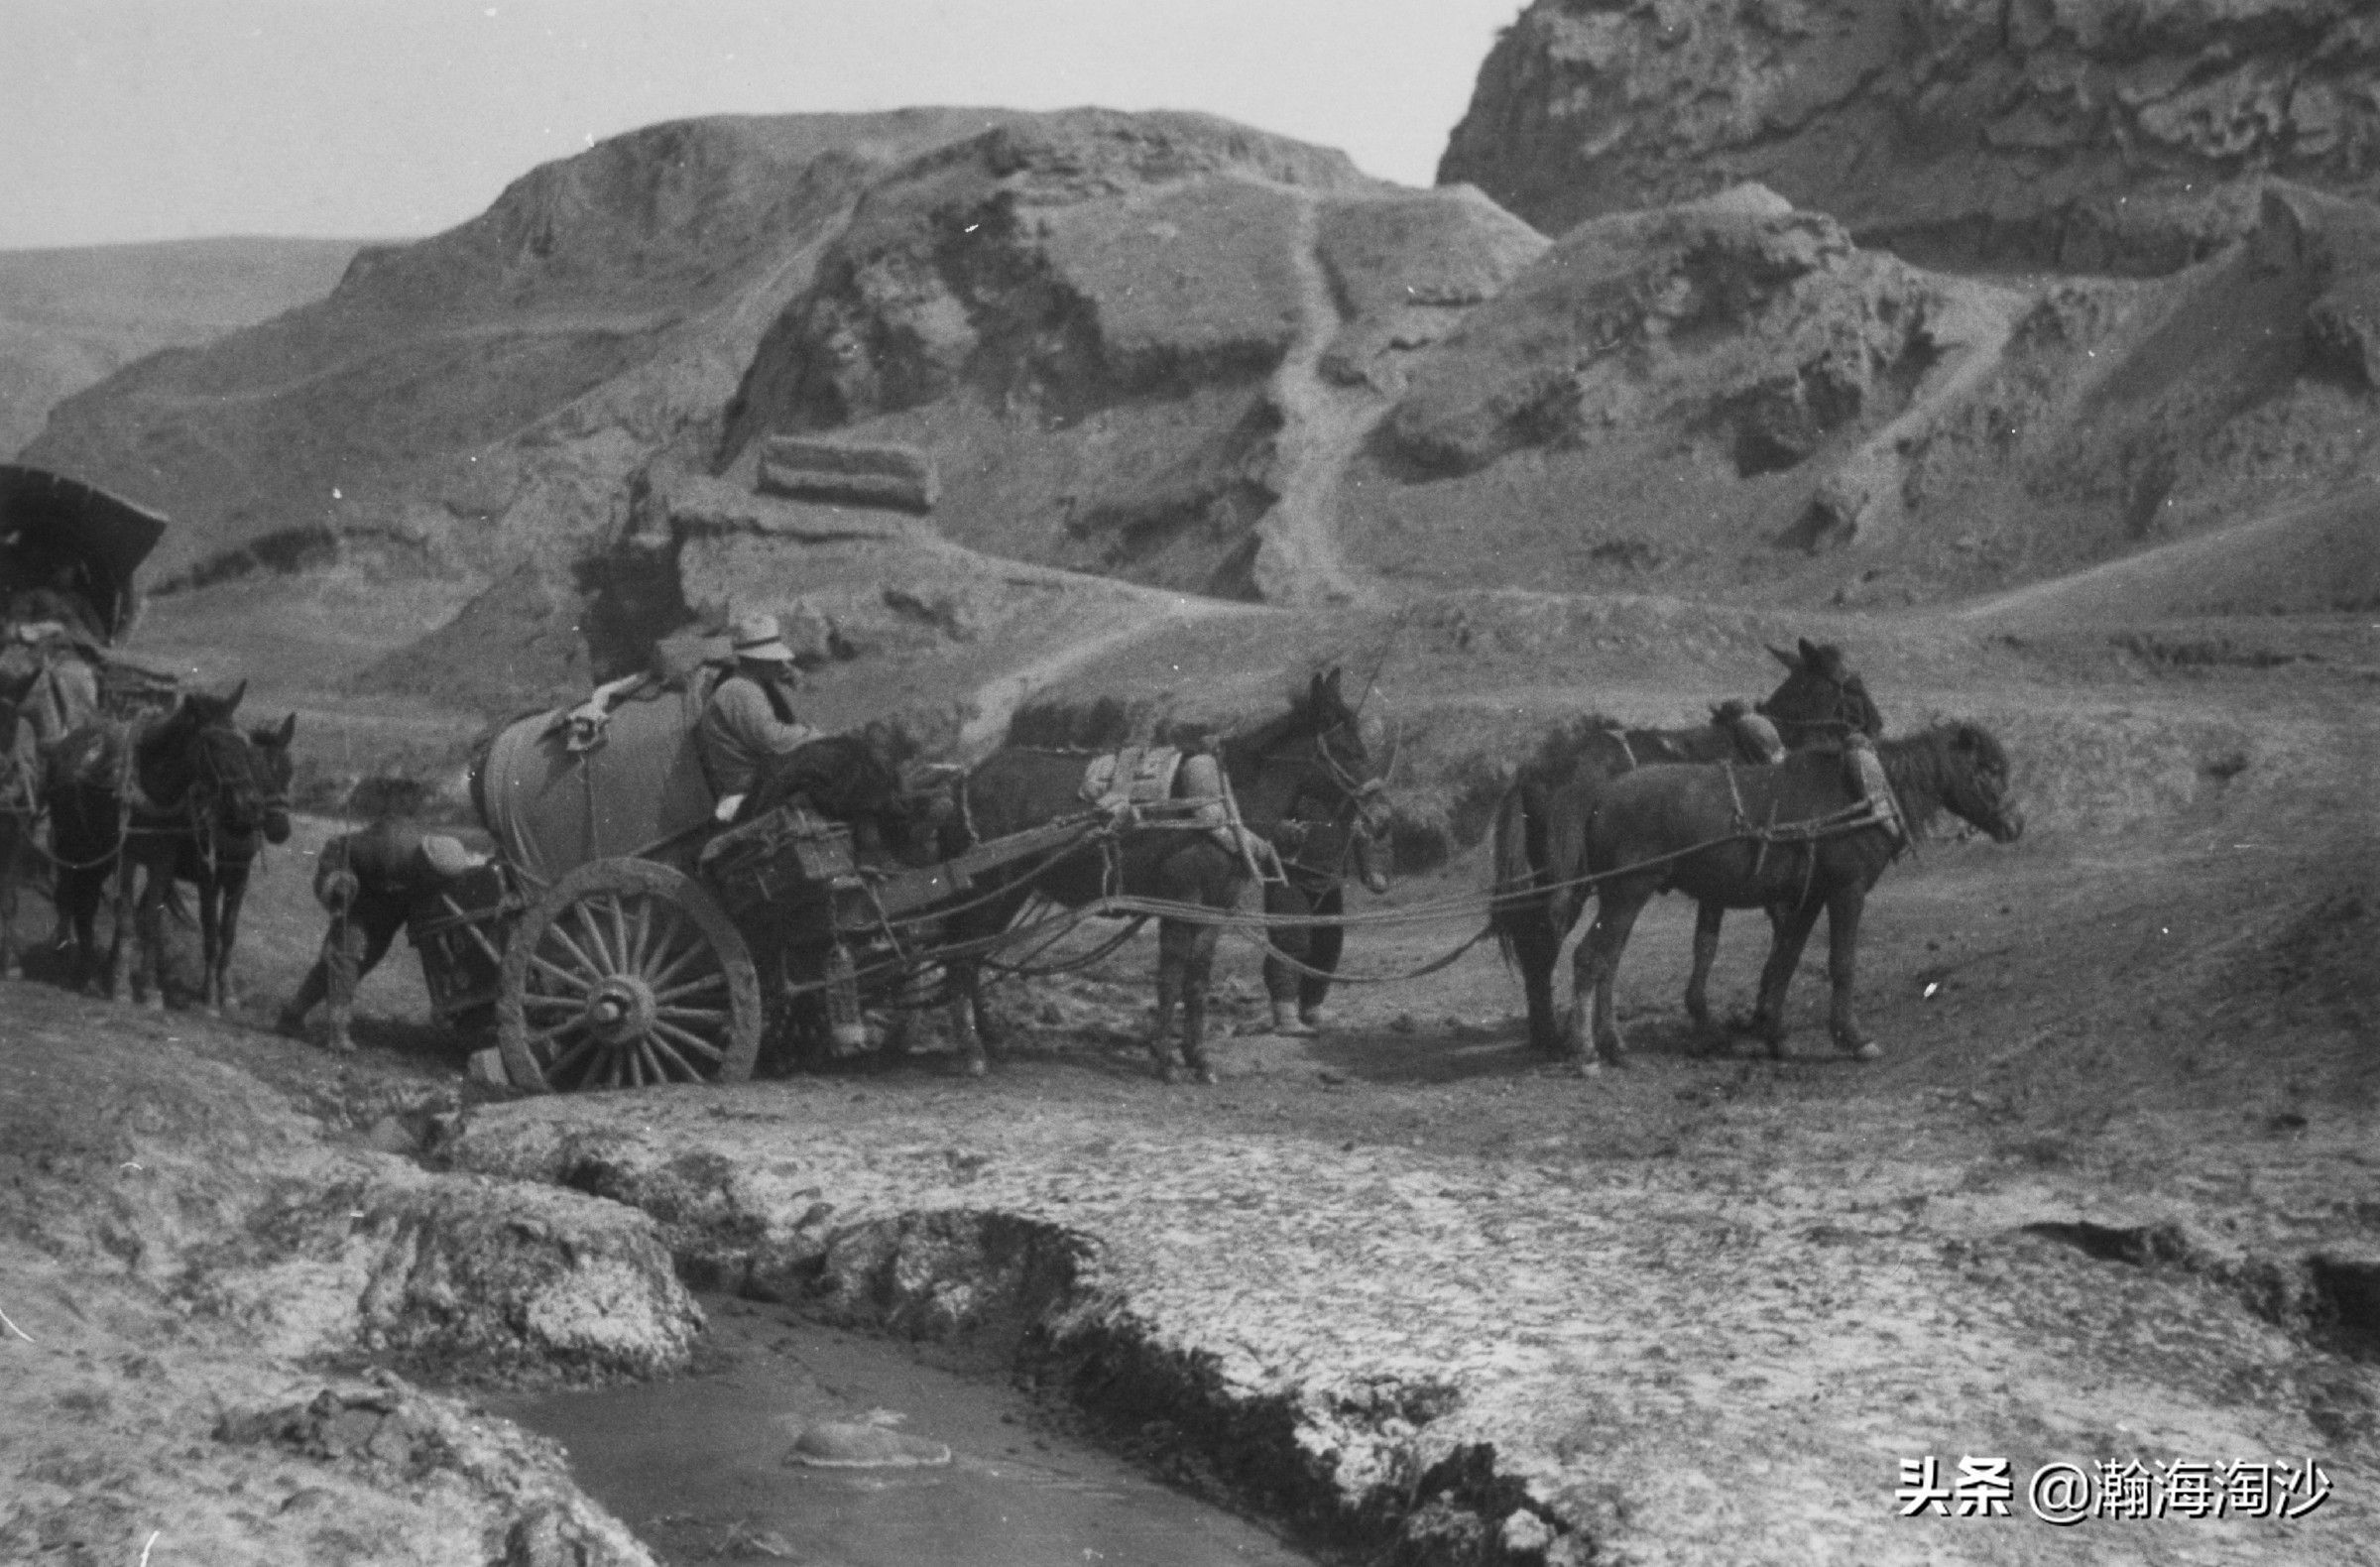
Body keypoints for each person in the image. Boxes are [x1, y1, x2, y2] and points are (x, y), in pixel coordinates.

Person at [276, 817, 486, 1053]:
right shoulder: (388, 846)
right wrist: (337, 881)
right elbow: (336, 847)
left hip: (388, 917)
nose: (438, 885)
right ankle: (338, 1032)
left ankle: (291, 1015)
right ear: (425, 863)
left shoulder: (440, 876)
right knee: (346, 959)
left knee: (350, 966)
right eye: (436, 879)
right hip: (356, 902)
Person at [696, 611, 818, 823]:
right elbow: (772, 739)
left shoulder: (750, 685)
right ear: (756, 661)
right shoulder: (739, 691)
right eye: (773, 659)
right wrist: (813, 735)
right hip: (752, 786)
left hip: (761, 778)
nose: (781, 664)